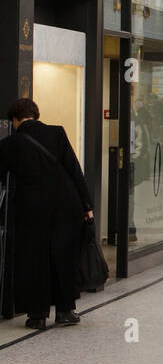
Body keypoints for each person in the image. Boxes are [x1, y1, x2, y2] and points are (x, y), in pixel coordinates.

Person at [0, 97, 94, 330]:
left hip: (31, 209)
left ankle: (37, 315)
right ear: (36, 115)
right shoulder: (57, 133)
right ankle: (65, 311)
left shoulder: (11, 143)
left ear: (15, 119)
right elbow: (74, 169)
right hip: (66, 204)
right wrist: (87, 206)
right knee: (63, 256)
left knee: (34, 259)